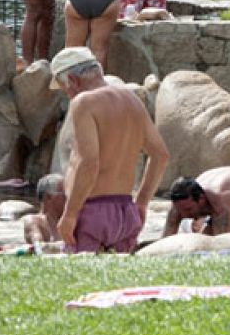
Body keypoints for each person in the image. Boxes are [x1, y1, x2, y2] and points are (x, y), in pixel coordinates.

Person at [51, 46, 171, 253]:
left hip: (92, 213)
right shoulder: (132, 100)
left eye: (65, 88)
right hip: (125, 211)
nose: (68, 94)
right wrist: (141, 202)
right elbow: (160, 155)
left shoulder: (84, 102)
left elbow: (88, 162)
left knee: (80, 282)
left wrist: (70, 214)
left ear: (73, 79)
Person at [21, 174, 67, 247]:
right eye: (65, 194)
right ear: (48, 197)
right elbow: (38, 247)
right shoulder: (33, 221)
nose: (69, 198)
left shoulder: (69, 220)